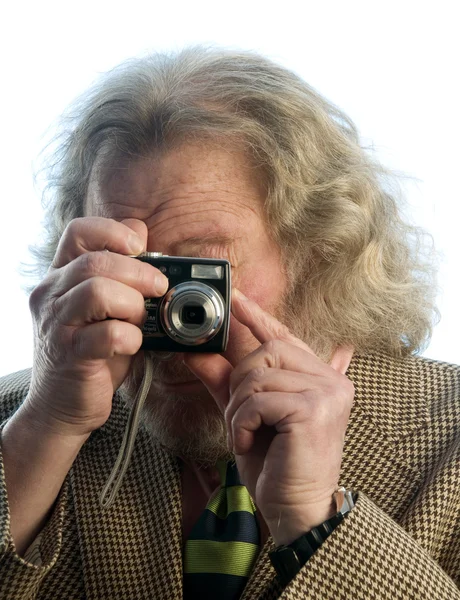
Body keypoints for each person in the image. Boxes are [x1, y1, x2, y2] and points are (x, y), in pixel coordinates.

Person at [0, 46, 459, 600]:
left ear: (318, 254)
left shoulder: (448, 441)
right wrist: (46, 431)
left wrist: (316, 521)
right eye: (132, 270)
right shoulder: (26, 420)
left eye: (201, 273)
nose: (163, 309)